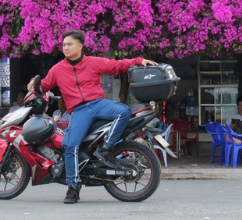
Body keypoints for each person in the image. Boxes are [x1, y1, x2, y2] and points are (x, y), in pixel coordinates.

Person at [28, 29, 157, 204]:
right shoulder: (57, 69)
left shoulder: (93, 62)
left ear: (80, 46)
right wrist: (33, 86)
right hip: (80, 111)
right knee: (70, 145)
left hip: (98, 103)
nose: (65, 47)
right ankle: (73, 188)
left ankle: (105, 149)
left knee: (124, 111)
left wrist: (138, 61)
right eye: (64, 44)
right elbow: (44, 85)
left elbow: (117, 65)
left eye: (69, 44)